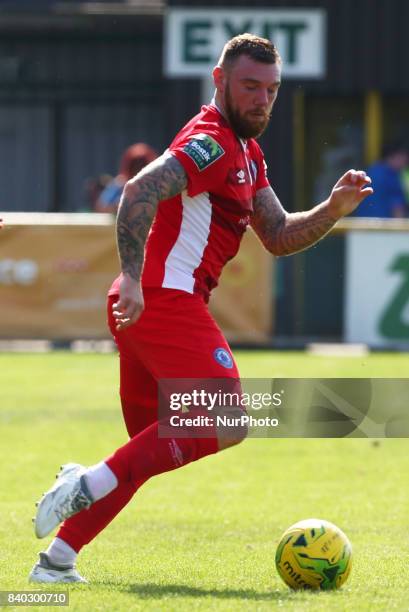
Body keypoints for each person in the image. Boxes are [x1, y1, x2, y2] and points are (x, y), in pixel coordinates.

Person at [29, 34, 373, 584]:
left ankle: (56, 563)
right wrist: (138, 281)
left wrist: (333, 208)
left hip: (153, 302)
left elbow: (279, 235)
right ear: (219, 81)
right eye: (250, 87)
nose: (262, 99)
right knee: (228, 418)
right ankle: (82, 483)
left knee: (148, 451)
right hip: (161, 300)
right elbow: (139, 190)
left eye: (272, 89)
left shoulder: (247, 152)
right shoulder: (211, 140)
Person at [94, 143, 158, 213]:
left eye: (142, 165)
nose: (139, 169)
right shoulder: (119, 184)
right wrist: (120, 206)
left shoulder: (157, 185)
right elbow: (101, 206)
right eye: (135, 165)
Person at [354, 141, 408, 218]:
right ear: (394, 156)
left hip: (359, 224)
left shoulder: (371, 170)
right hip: (383, 227)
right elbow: (397, 208)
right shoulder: (391, 175)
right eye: (403, 159)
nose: (405, 163)